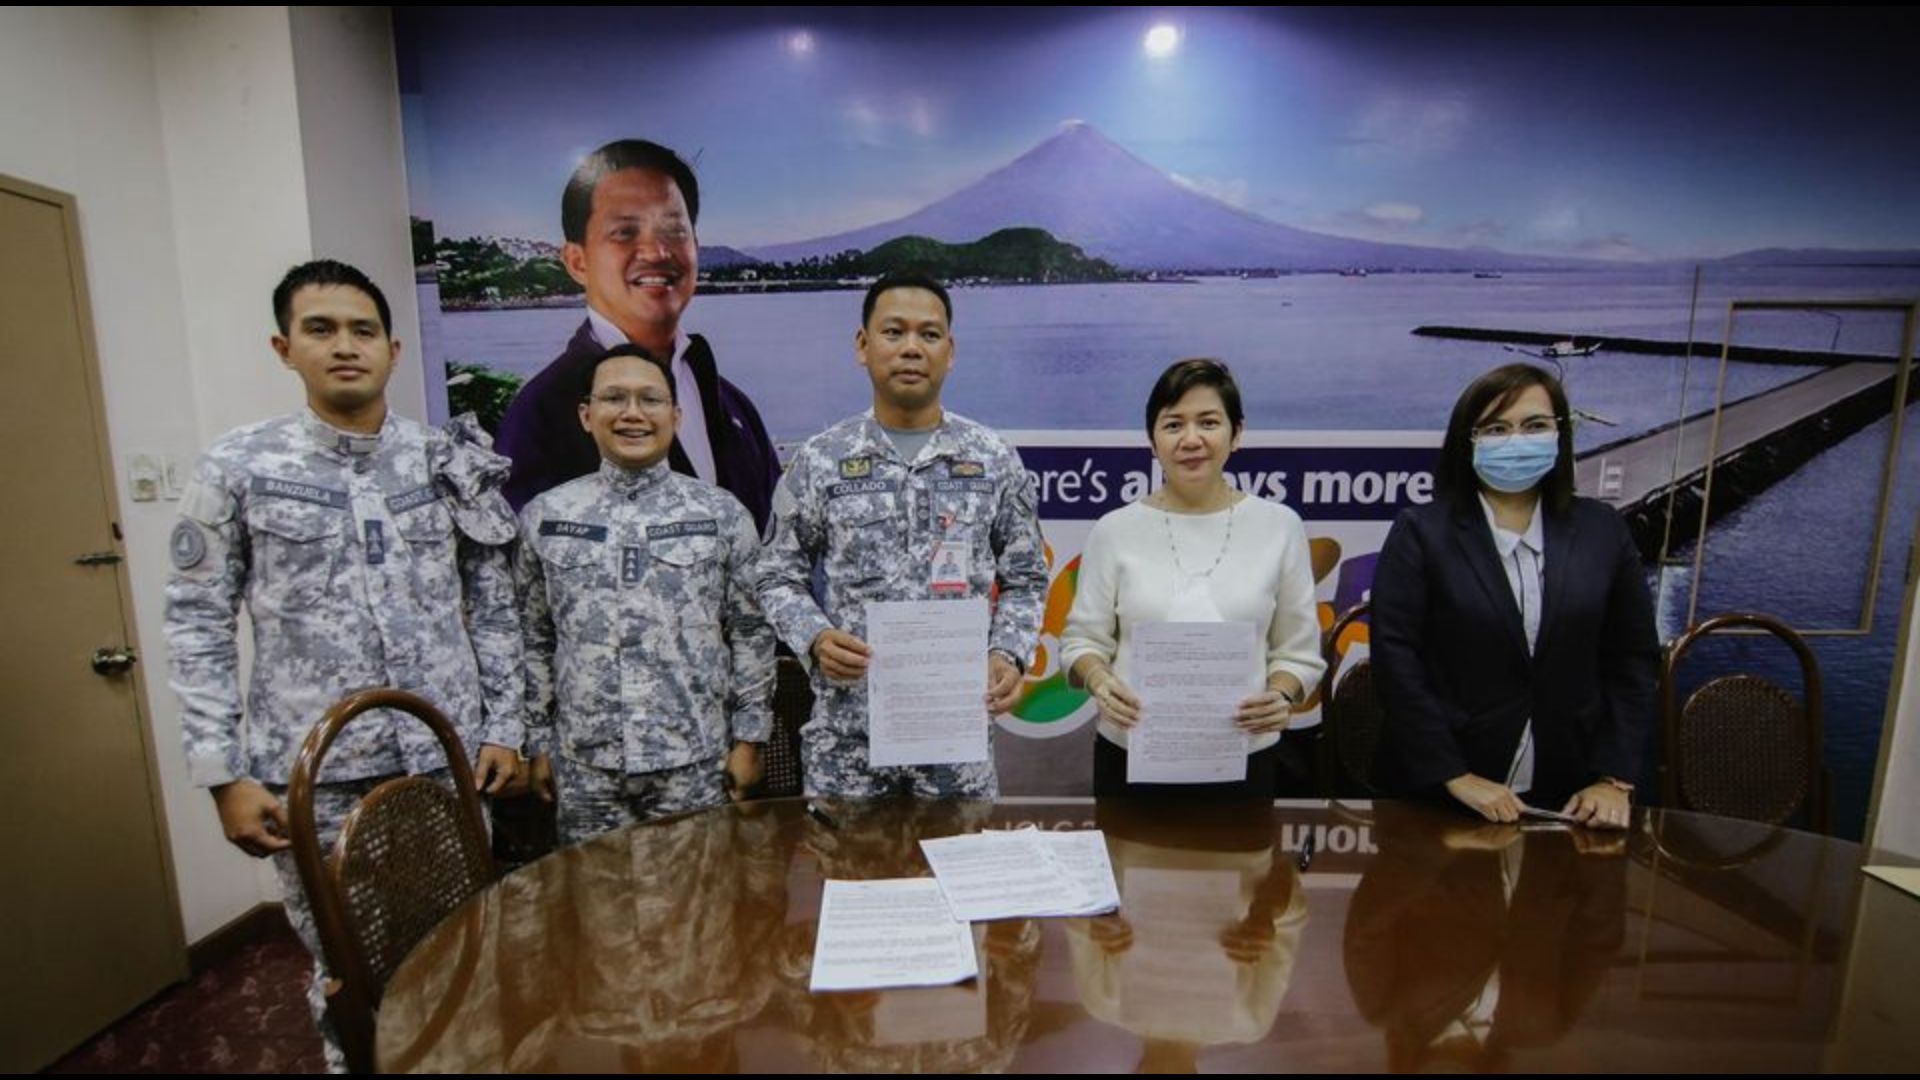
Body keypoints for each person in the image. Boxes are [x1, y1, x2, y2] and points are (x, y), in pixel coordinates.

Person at [165, 259, 523, 1070]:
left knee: (463, 954)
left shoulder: (445, 462)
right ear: (283, 347)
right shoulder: (238, 467)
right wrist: (222, 773)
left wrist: (504, 727)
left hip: (444, 765)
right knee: (348, 977)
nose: (345, 347)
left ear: (394, 349)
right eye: (320, 329)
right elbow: (196, 622)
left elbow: (494, 605)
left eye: (363, 330)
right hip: (314, 777)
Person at [756, 272, 1047, 798]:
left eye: (929, 334)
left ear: (950, 351)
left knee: (957, 876)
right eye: (894, 332)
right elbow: (776, 575)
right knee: (850, 880)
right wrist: (815, 638)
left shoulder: (993, 459)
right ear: (863, 346)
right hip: (848, 750)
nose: (912, 348)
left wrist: (1008, 652)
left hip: (955, 751)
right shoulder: (822, 459)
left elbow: (1026, 579)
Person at [1369, 362, 1659, 828]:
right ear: (1468, 440)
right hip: (1442, 795)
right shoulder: (1421, 532)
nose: (1516, 441)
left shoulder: (1603, 530)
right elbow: (1396, 659)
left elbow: (1633, 660)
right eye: (1496, 428)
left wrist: (1614, 779)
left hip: (1572, 796)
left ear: (1559, 434)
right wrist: (1454, 774)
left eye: (1535, 426)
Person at [517, 344, 774, 843]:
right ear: (586, 416)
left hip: (695, 761)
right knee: (596, 908)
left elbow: (751, 632)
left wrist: (749, 740)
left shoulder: (721, 514)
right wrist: (537, 741)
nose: (633, 413)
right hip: (585, 766)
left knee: (698, 911)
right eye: (614, 398)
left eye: (650, 400)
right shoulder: (546, 516)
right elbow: (533, 636)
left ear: (675, 416)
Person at [1060, 358, 1325, 798]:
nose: (1191, 440)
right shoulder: (1115, 529)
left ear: (1236, 434)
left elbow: (1298, 652)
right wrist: (1099, 682)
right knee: (1127, 866)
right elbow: (1080, 643)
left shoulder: (1280, 526)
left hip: (1244, 755)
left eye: (1208, 422)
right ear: (1152, 440)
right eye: (1173, 425)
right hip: (1131, 755)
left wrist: (1281, 696)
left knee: (1247, 868)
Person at [495, 138, 780, 529]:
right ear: (577, 261)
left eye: (673, 231)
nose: (656, 252)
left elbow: (776, 546)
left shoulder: (734, 407)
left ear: (696, 246)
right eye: (625, 233)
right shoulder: (539, 416)